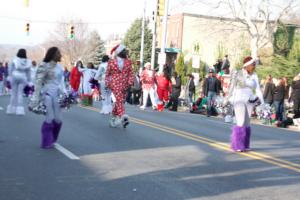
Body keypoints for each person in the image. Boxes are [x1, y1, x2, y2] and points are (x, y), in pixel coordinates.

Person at [29, 47, 66, 149]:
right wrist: (36, 97)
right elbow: (38, 82)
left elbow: (61, 81)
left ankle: (52, 139)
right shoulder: (43, 65)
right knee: (50, 118)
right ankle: (46, 142)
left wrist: (65, 93)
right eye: (59, 53)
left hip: (57, 96)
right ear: (53, 54)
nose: (60, 55)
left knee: (58, 119)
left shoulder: (59, 67)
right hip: (47, 95)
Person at [225, 56, 264, 152]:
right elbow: (231, 87)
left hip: (250, 100)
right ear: (247, 65)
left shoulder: (254, 75)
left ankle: (245, 144)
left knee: (247, 123)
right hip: (239, 99)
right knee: (241, 122)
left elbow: (258, 89)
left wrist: (263, 103)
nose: (254, 66)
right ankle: (237, 145)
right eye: (252, 64)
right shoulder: (238, 73)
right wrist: (227, 99)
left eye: (254, 64)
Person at [105, 44, 134, 128]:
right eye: (124, 50)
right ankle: (124, 117)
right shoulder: (111, 62)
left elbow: (131, 73)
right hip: (115, 84)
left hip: (125, 85)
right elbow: (107, 74)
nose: (125, 52)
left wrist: (129, 83)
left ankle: (113, 118)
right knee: (119, 100)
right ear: (119, 52)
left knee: (119, 101)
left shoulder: (128, 62)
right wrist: (107, 83)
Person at [6, 49, 32, 115]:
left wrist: (9, 76)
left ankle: (11, 109)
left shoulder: (14, 59)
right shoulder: (28, 61)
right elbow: (29, 72)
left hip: (14, 76)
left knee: (13, 93)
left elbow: (10, 69)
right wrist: (29, 80)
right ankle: (19, 109)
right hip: (23, 77)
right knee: (20, 93)